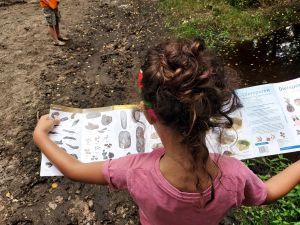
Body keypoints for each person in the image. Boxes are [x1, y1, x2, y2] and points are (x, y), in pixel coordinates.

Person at [33, 39, 300, 225]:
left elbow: (73, 169)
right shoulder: (233, 175)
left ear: (150, 115)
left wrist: (40, 136)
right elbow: (267, 193)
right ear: (211, 114)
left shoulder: (135, 171)